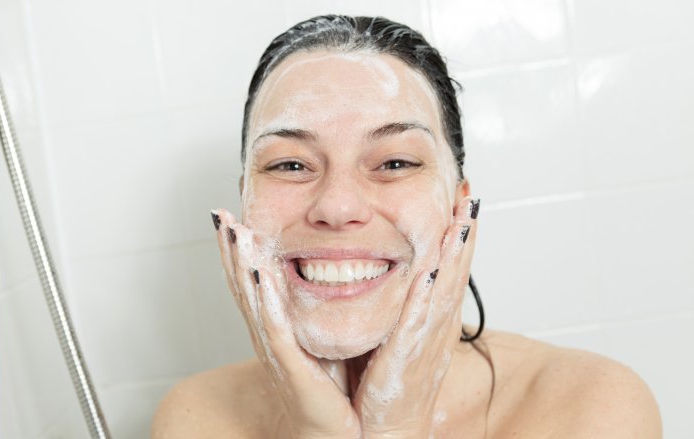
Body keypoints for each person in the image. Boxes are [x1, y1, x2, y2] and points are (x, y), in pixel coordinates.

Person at [153, 15, 661, 438]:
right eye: (290, 165)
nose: (337, 205)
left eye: (395, 163)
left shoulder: (588, 408)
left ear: (458, 205)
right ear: (242, 201)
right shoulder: (200, 419)